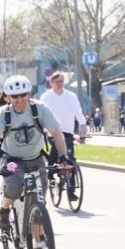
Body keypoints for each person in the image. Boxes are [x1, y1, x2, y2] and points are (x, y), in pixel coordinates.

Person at [0, 75, 72, 249]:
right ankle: (4, 210)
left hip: (37, 159)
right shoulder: (3, 115)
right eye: (15, 96)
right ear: (7, 97)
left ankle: (39, 243)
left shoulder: (39, 109)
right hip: (12, 161)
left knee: (40, 204)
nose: (20, 100)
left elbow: (56, 133)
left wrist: (63, 156)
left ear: (29, 94)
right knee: (13, 188)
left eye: (23, 95)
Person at [39, 72, 88, 201]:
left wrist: (83, 125)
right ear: (51, 83)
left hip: (67, 131)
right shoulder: (46, 97)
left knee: (70, 160)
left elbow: (77, 111)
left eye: (61, 81)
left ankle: (71, 190)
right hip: (52, 131)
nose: (59, 84)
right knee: (56, 150)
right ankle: (51, 173)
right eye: (57, 82)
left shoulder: (70, 96)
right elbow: (42, 114)